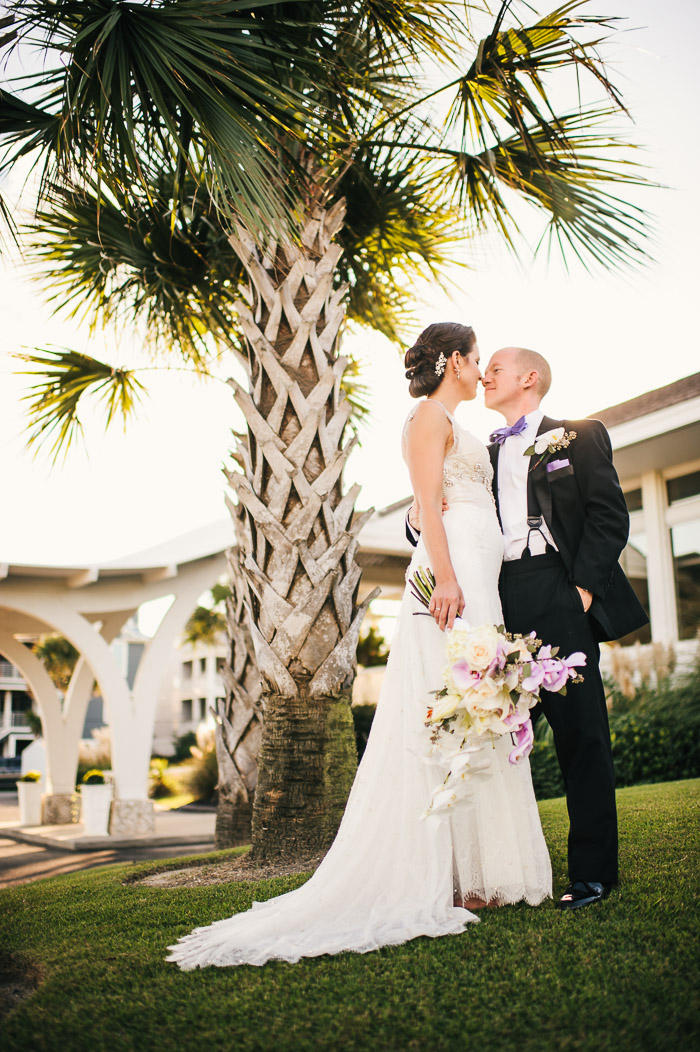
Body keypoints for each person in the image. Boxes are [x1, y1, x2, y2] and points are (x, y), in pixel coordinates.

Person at [167, 323, 551, 971]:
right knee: (447, 707)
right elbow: (426, 503)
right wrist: (448, 577)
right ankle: (443, 872)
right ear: (453, 361)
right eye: (476, 358)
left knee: (479, 705)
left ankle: (479, 871)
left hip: (480, 571)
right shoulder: (425, 417)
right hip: (451, 572)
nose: (480, 368)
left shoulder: (460, 423)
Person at [408, 345, 648, 911]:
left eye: (495, 369)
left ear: (529, 378)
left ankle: (592, 874)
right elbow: (450, 502)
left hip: (557, 589)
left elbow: (610, 516)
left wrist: (583, 591)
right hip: (494, 592)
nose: (484, 375)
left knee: (581, 734)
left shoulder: (579, 436)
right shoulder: (479, 450)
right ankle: (477, 870)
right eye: (482, 367)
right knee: (485, 730)